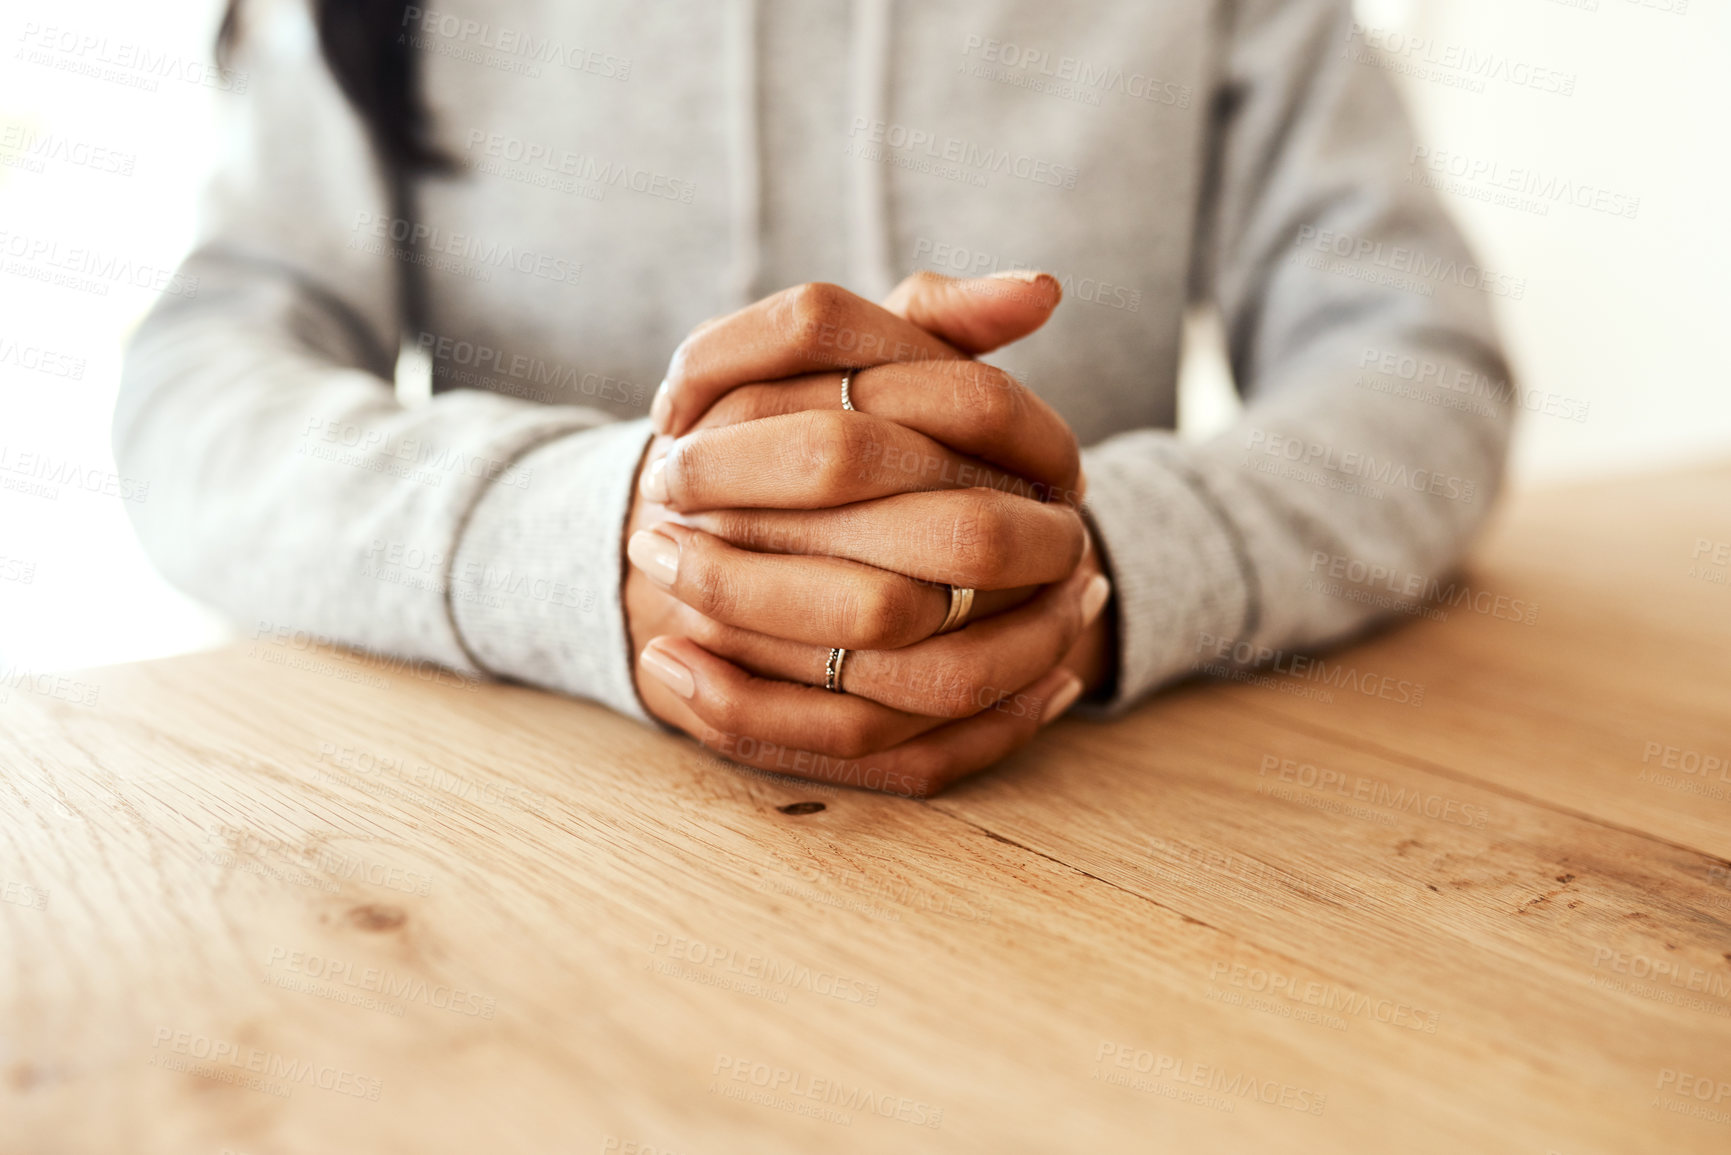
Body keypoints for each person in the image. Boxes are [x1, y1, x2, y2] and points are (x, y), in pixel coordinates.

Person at [116, 0, 1514, 797]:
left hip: (1091, 841)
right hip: (514, 841)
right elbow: (200, 394)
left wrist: (1106, 566)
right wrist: (588, 543)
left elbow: (1418, 365)